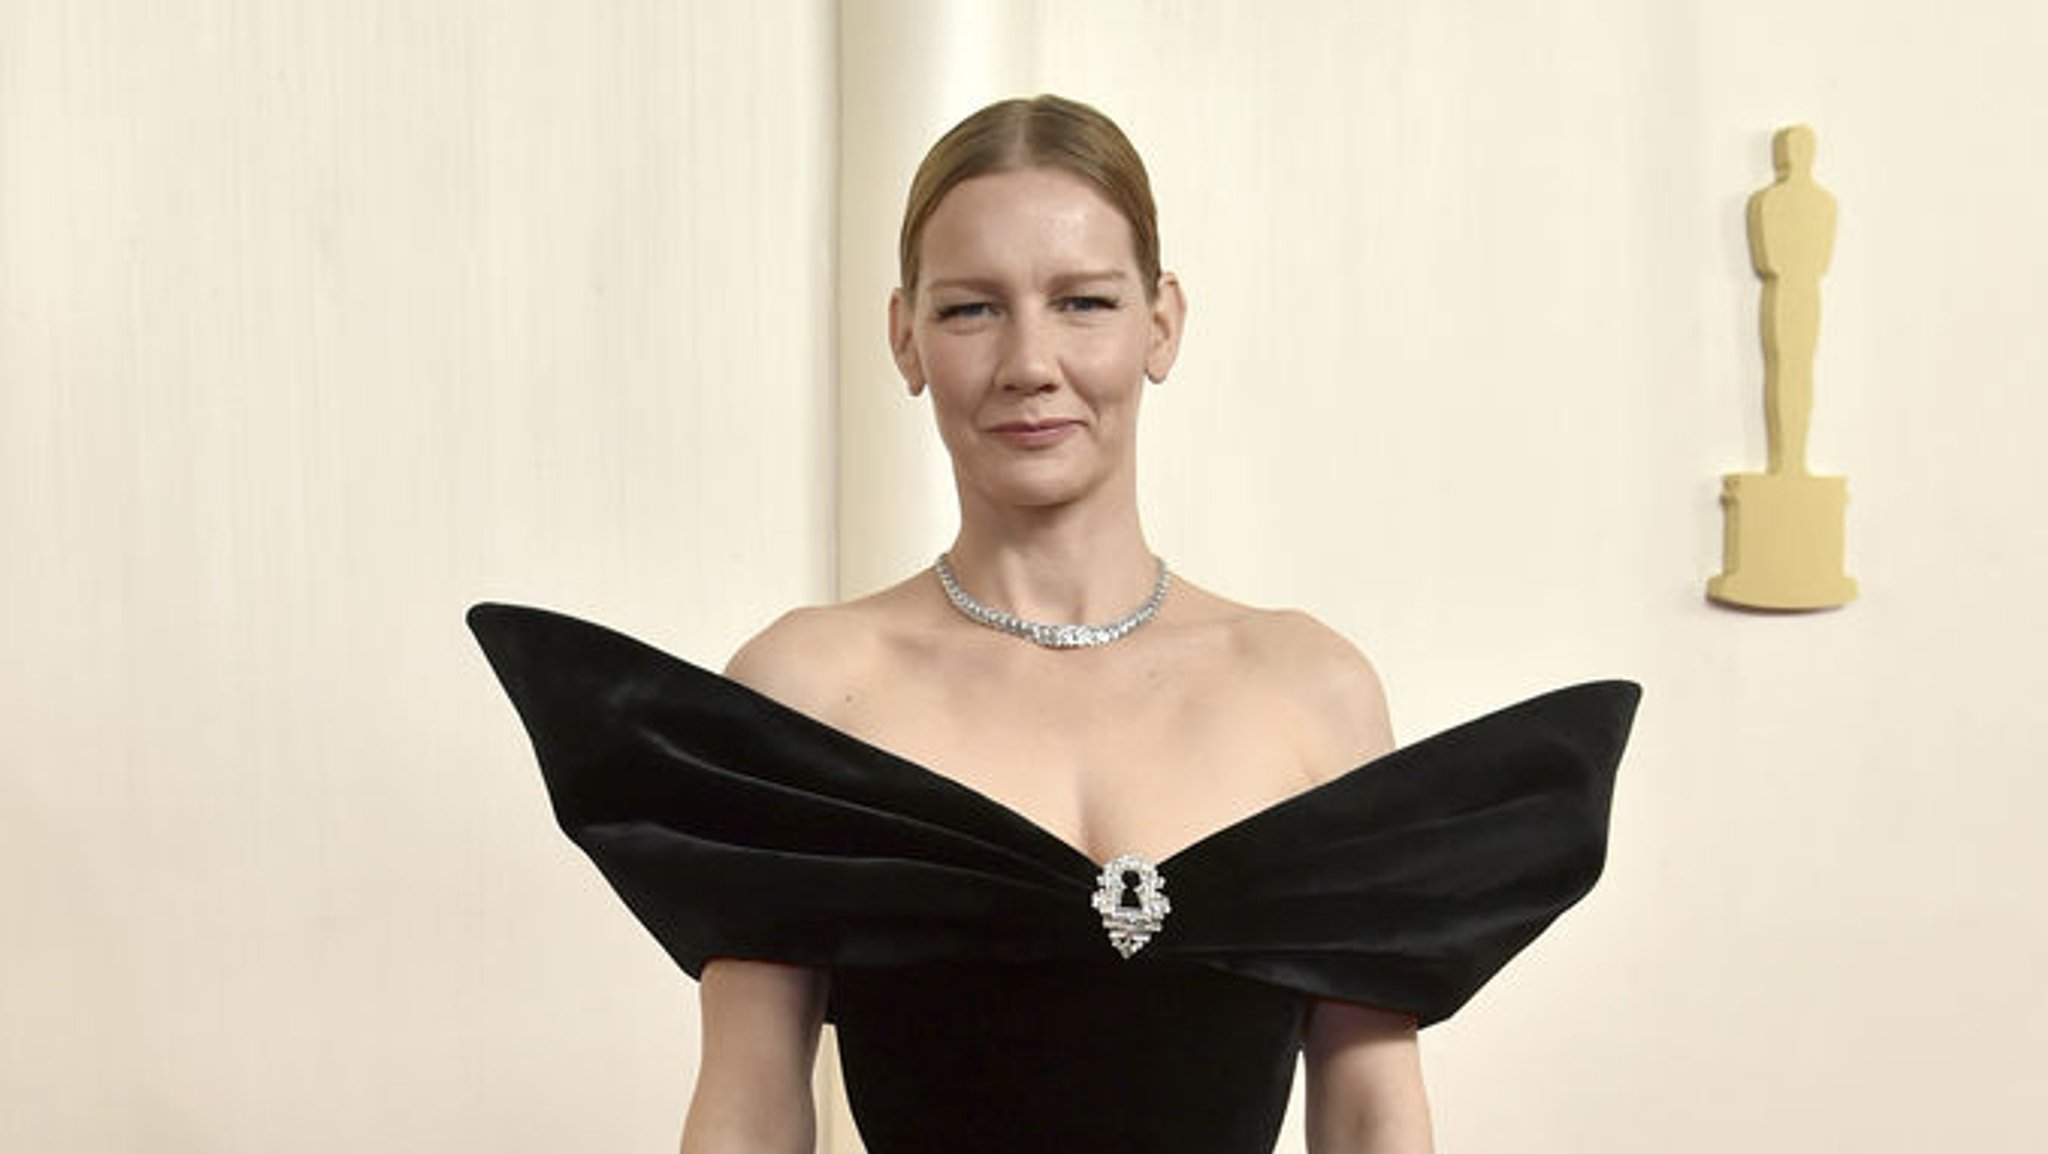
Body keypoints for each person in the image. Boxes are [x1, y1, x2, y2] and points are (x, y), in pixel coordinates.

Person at [469, 94, 1637, 1154]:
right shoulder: (806, 684)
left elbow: (1374, 1113)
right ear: (904, 337)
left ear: (1160, 323)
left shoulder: (1306, 685)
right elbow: (748, 1108)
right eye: (971, 308)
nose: (1030, 362)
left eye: (1082, 302)